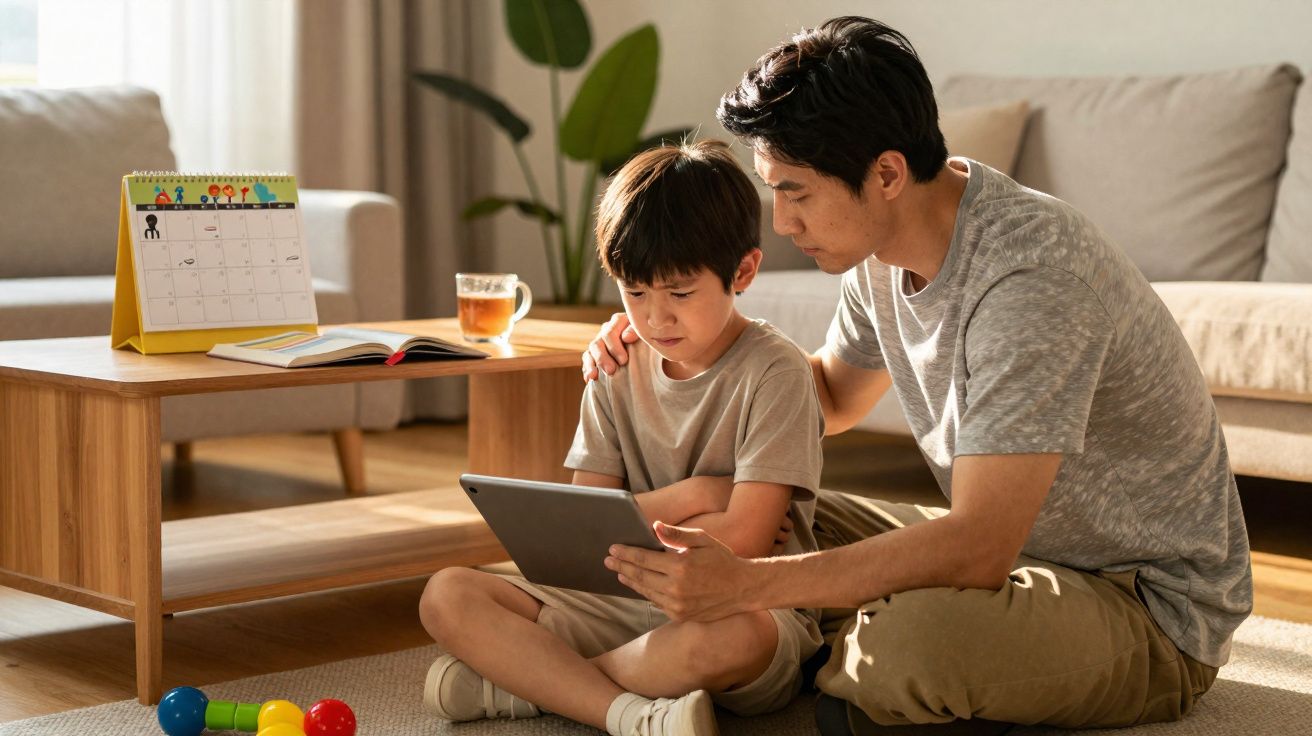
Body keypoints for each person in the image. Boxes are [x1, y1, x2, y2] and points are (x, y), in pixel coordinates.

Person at [584, 16, 1252, 736]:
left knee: (893, 650)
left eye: (797, 192)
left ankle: (704, 660)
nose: (780, 222)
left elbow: (976, 545)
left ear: (887, 173)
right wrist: (676, 342)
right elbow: (829, 398)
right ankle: (739, 647)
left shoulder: (1030, 278)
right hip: (1014, 550)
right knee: (782, 517)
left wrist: (749, 585)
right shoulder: (881, 255)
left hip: (1139, 601)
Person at [418, 139, 826, 736]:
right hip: (622, 593)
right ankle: (625, 712)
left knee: (728, 640)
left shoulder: (776, 371)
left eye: (680, 294)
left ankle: (531, 685)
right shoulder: (615, 363)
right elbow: (588, 525)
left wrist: (634, 526)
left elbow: (744, 537)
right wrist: (695, 494)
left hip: (737, 599)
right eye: (635, 293)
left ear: (742, 271)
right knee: (446, 594)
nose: (656, 319)